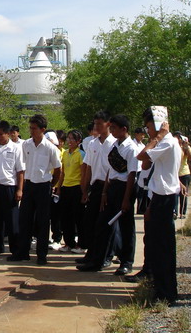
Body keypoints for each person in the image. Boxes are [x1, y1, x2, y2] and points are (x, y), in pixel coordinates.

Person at [77, 114, 139, 275]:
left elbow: (132, 174)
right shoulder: (115, 146)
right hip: (110, 187)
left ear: (123, 129)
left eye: (114, 128)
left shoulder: (131, 148)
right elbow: (110, 171)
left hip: (124, 188)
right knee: (102, 225)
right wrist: (105, 192)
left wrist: (126, 199)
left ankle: (126, 262)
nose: (112, 131)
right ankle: (96, 260)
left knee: (125, 227)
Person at [136, 108, 181, 304]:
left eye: (148, 127)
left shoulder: (167, 142)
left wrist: (158, 137)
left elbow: (141, 156)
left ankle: (166, 292)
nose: (147, 132)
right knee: (156, 245)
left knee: (163, 247)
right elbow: (146, 165)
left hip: (164, 199)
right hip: (158, 198)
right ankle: (160, 287)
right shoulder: (164, 143)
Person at [9, 114, 62, 265]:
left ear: (42, 130)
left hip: (44, 186)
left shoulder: (51, 148)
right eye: (30, 128)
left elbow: (58, 169)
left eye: (34, 128)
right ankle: (22, 252)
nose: (31, 131)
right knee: (24, 219)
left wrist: (52, 185)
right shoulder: (26, 145)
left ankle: (41, 254)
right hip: (29, 185)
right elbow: (23, 165)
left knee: (42, 221)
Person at [78, 111, 115, 261]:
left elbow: (112, 169)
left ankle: (107, 256)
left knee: (106, 223)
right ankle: (91, 253)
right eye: (95, 124)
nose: (96, 127)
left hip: (109, 187)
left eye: (100, 124)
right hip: (95, 186)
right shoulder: (92, 143)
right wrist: (85, 189)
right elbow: (88, 167)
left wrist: (106, 191)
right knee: (90, 221)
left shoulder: (114, 143)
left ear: (108, 124)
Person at [0, 120, 24, 256]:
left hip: (10, 188)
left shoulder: (16, 149)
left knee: (12, 220)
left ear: (8, 134)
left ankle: (15, 249)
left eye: (1, 134)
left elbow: (20, 171)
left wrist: (20, 189)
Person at [59, 129, 86, 253]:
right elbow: (63, 172)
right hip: (66, 187)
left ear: (78, 141)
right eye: (68, 138)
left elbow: (83, 174)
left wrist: (84, 191)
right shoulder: (65, 154)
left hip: (77, 187)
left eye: (72, 139)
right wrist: (59, 188)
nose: (69, 141)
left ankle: (81, 244)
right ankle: (69, 243)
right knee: (65, 217)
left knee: (78, 218)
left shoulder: (81, 154)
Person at [173, 132, 191, 219]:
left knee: (183, 193)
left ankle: (182, 212)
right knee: (175, 193)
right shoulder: (173, 147)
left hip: (184, 173)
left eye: (179, 138)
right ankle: (175, 211)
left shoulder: (185, 147)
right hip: (175, 173)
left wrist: (186, 147)